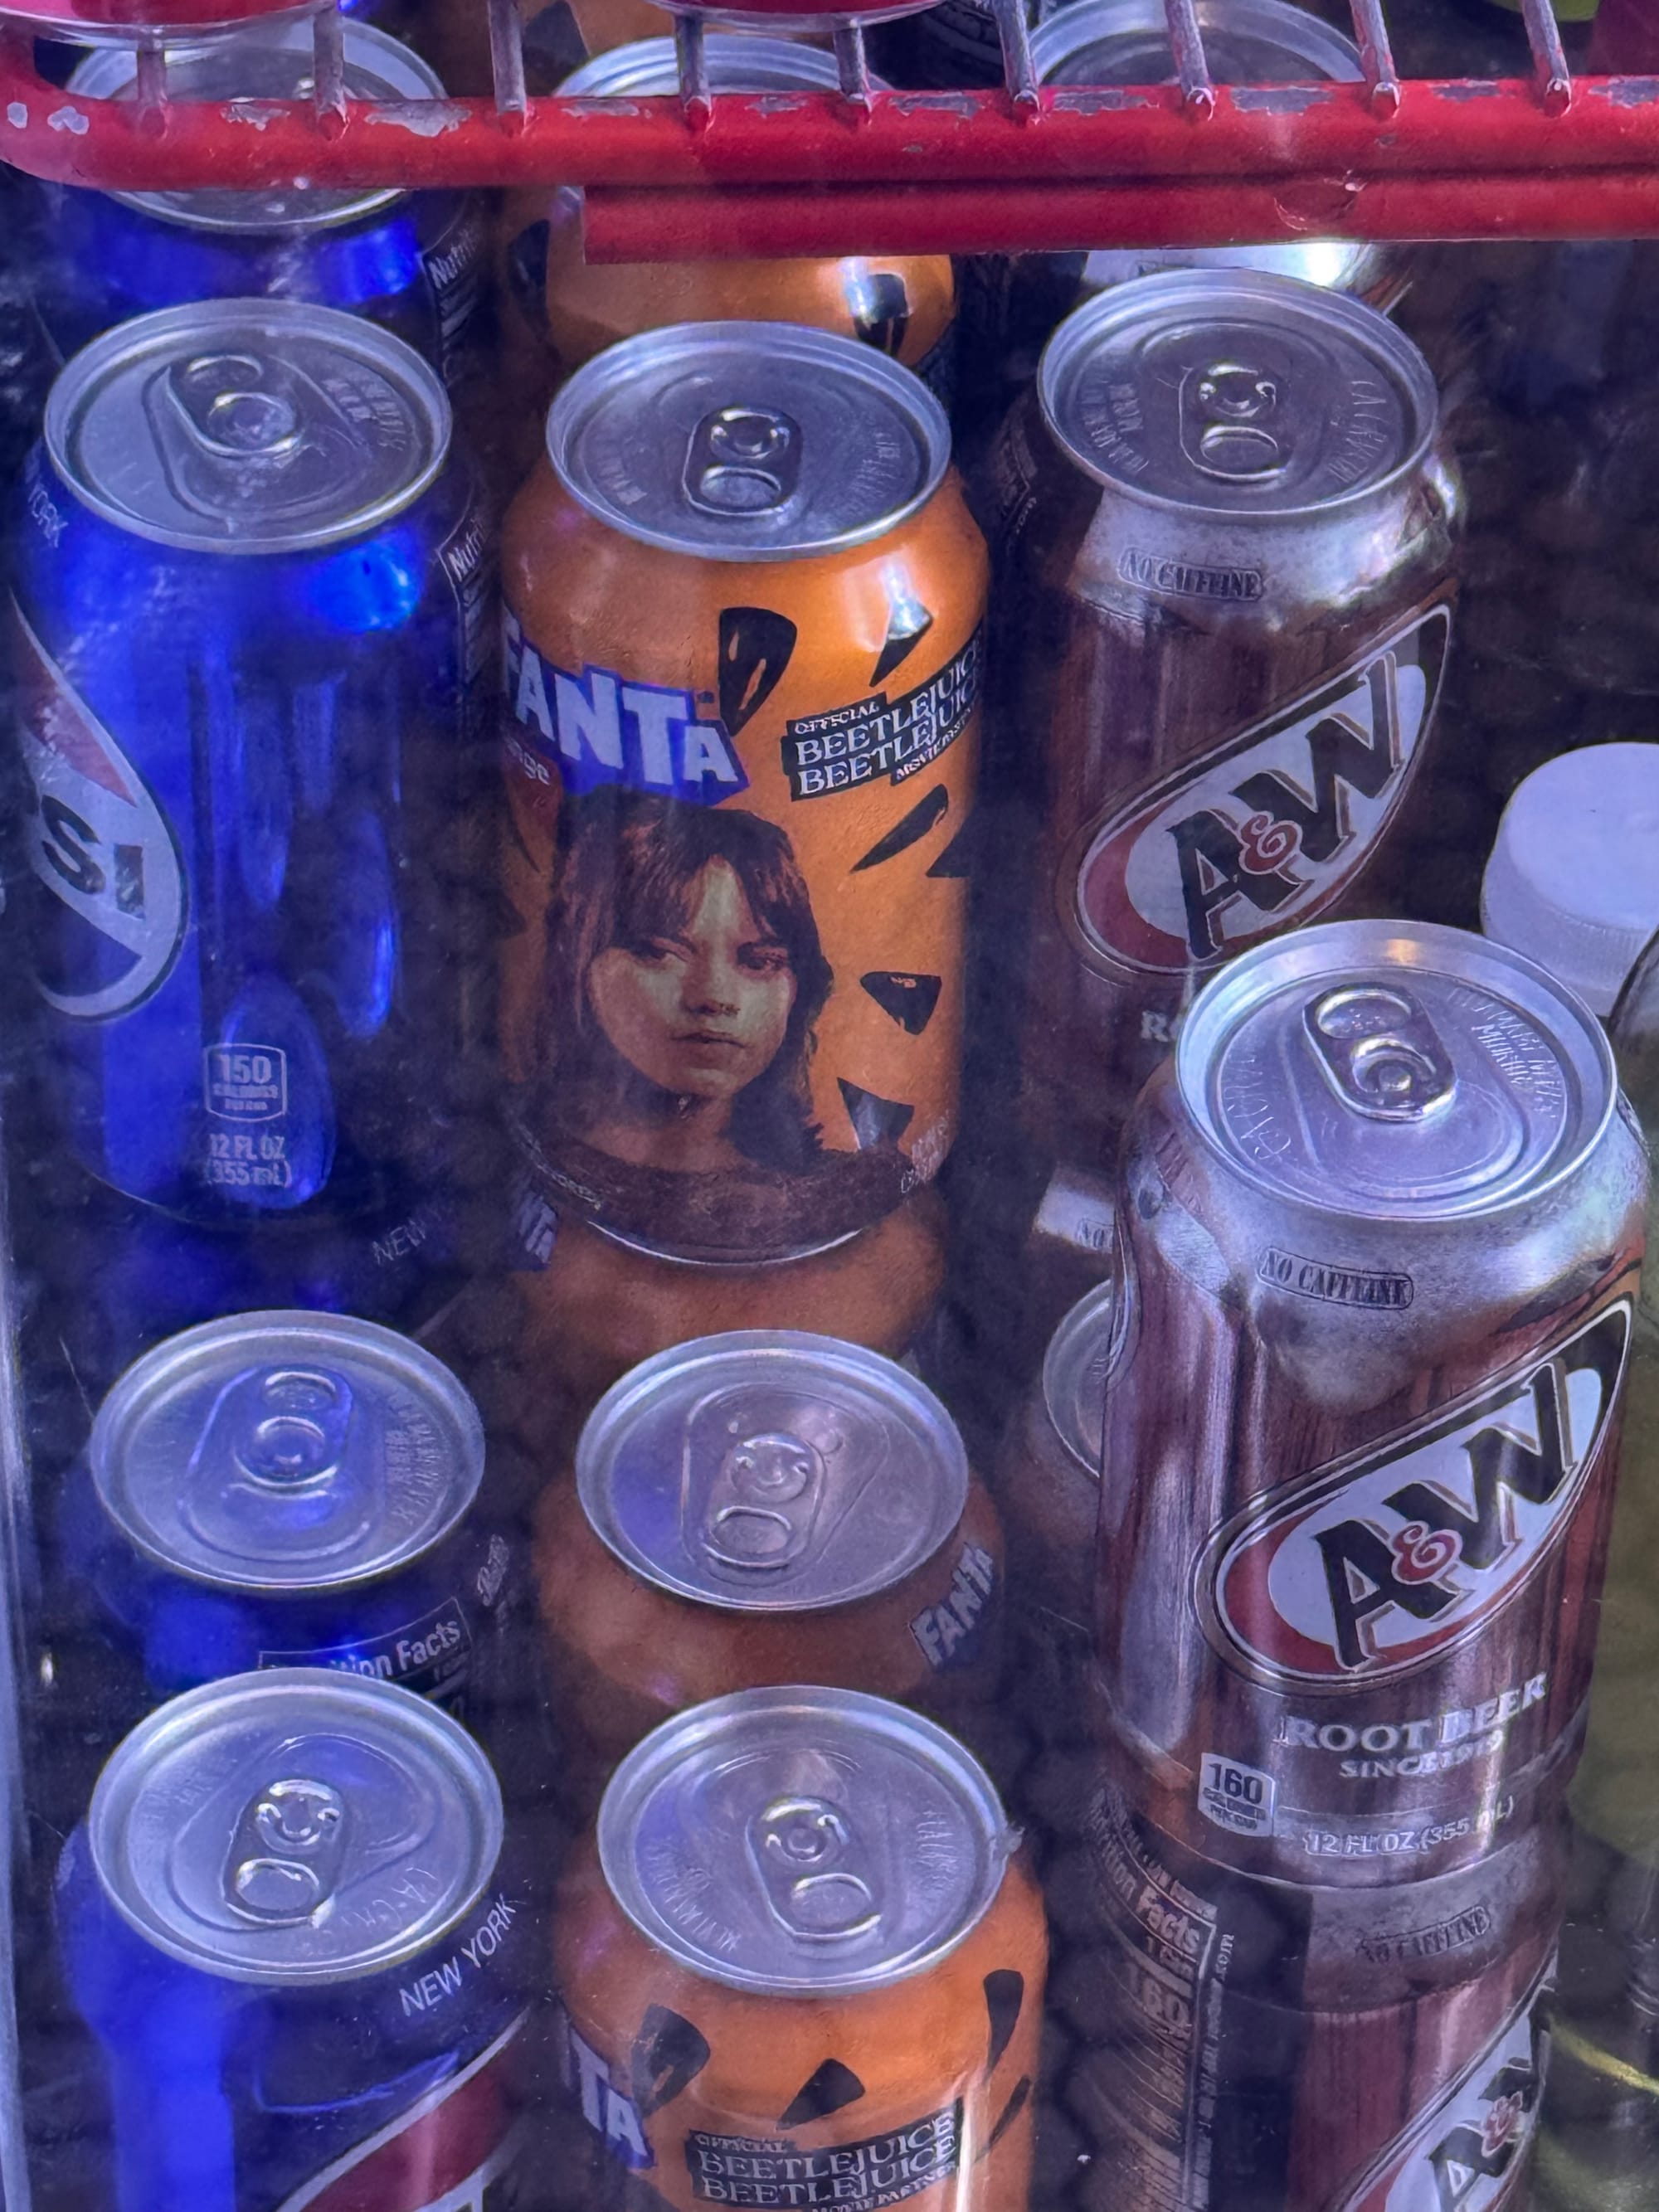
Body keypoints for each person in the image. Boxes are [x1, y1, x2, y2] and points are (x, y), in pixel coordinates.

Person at [537, 790, 834, 1177]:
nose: (713, 997)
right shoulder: (517, 1139)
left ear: (798, 988)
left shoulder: (852, 1188)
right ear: (579, 958)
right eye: (659, 953)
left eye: (759, 962)